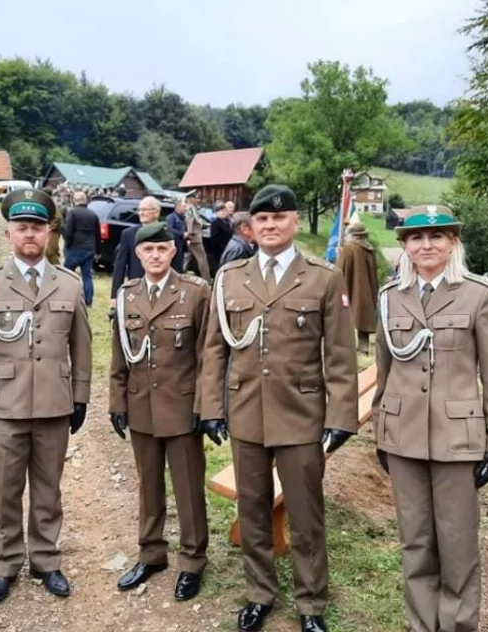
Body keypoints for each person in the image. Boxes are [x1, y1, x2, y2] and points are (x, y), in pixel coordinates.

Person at [201, 184, 358, 632]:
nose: (270, 226)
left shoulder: (323, 278)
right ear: (251, 227)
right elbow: (214, 348)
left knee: (306, 515)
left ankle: (311, 604)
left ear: (294, 223)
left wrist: (341, 415)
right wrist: (211, 406)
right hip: (247, 411)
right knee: (252, 510)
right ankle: (259, 593)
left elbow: (342, 355)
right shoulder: (230, 278)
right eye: (262, 220)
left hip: (301, 415)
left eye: (279, 218)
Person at [372, 204, 488, 632]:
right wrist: (380, 431)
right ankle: (421, 625)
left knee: (457, 544)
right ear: (405, 247)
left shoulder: (479, 293)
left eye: (437, 236)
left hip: (458, 438)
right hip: (402, 436)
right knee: (415, 541)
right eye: (416, 238)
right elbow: (384, 370)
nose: (426, 245)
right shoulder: (390, 296)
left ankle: (457, 626)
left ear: (453, 243)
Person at [0, 188, 92, 603]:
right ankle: (4, 562)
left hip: (54, 402)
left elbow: (81, 345)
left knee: (48, 487)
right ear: (8, 235)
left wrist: (82, 396)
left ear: (49, 233)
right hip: (4, 406)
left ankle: (46, 559)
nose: (30, 235)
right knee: (4, 489)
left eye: (37, 227)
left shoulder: (68, 284)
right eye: (22, 228)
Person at [109, 222, 210, 602]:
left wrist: (204, 404)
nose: (155, 256)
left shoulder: (195, 292)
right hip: (141, 406)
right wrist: (117, 401)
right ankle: (151, 553)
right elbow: (120, 353)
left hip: (182, 407)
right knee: (148, 485)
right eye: (148, 250)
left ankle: (192, 560)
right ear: (137, 255)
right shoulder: (126, 295)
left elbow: (206, 356)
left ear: (173, 252)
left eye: (162, 249)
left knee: (187, 487)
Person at [336, 221, 378, 355]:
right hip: (366, 288)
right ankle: (364, 347)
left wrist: (340, 255)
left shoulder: (349, 248)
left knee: (344, 317)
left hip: (350, 287)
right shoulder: (369, 248)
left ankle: (346, 347)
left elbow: (340, 270)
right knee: (363, 316)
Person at [111, 196, 161, 299]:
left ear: (156, 212)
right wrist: (115, 295)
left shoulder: (169, 234)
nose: (141, 213)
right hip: (136, 289)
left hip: (161, 289)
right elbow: (120, 265)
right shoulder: (128, 234)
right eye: (139, 210)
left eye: (145, 209)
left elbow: (176, 266)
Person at [62, 191, 99, 307]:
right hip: (89, 248)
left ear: (74, 200)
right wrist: (97, 250)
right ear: (86, 200)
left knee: (67, 274)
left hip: (75, 247)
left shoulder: (72, 213)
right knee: (87, 276)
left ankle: (66, 297)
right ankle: (88, 301)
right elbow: (98, 234)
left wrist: (67, 244)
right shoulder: (93, 214)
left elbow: (68, 231)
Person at [183, 195, 211, 282]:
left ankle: (181, 274)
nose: (197, 200)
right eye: (195, 198)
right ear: (190, 199)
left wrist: (205, 225)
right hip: (194, 238)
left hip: (194, 237)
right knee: (202, 259)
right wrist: (189, 235)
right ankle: (207, 279)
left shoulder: (193, 209)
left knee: (187, 258)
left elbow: (198, 222)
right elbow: (189, 223)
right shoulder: (190, 210)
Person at [165, 198, 188, 273]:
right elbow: (169, 229)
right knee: (175, 266)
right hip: (174, 245)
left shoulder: (182, 218)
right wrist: (182, 234)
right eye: (184, 206)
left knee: (179, 266)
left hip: (181, 245)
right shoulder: (171, 217)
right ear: (178, 207)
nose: (186, 208)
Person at [208, 201, 234, 266]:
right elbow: (214, 238)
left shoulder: (226, 221)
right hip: (219, 250)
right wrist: (222, 245)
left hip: (226, 248)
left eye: (225, 211)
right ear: (217, 212)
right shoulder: (215, 223)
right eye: (222, 211)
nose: (224, 213)